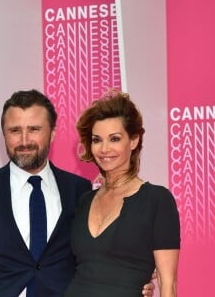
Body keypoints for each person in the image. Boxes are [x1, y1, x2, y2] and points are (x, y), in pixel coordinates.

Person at [0, 89, 156, 297]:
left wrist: (131, 283)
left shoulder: (79, 190)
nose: (24, 140)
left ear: (52, 132)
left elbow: (93, 260)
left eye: (34, 129)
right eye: (15, 130)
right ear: (4, 134)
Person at [64, 89, 180, 297]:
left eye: (115, 139)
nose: (104, 149)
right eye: (97, 140)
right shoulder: (84, 200)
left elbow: (168, 282)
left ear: (133, 141)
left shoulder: (157, 200)